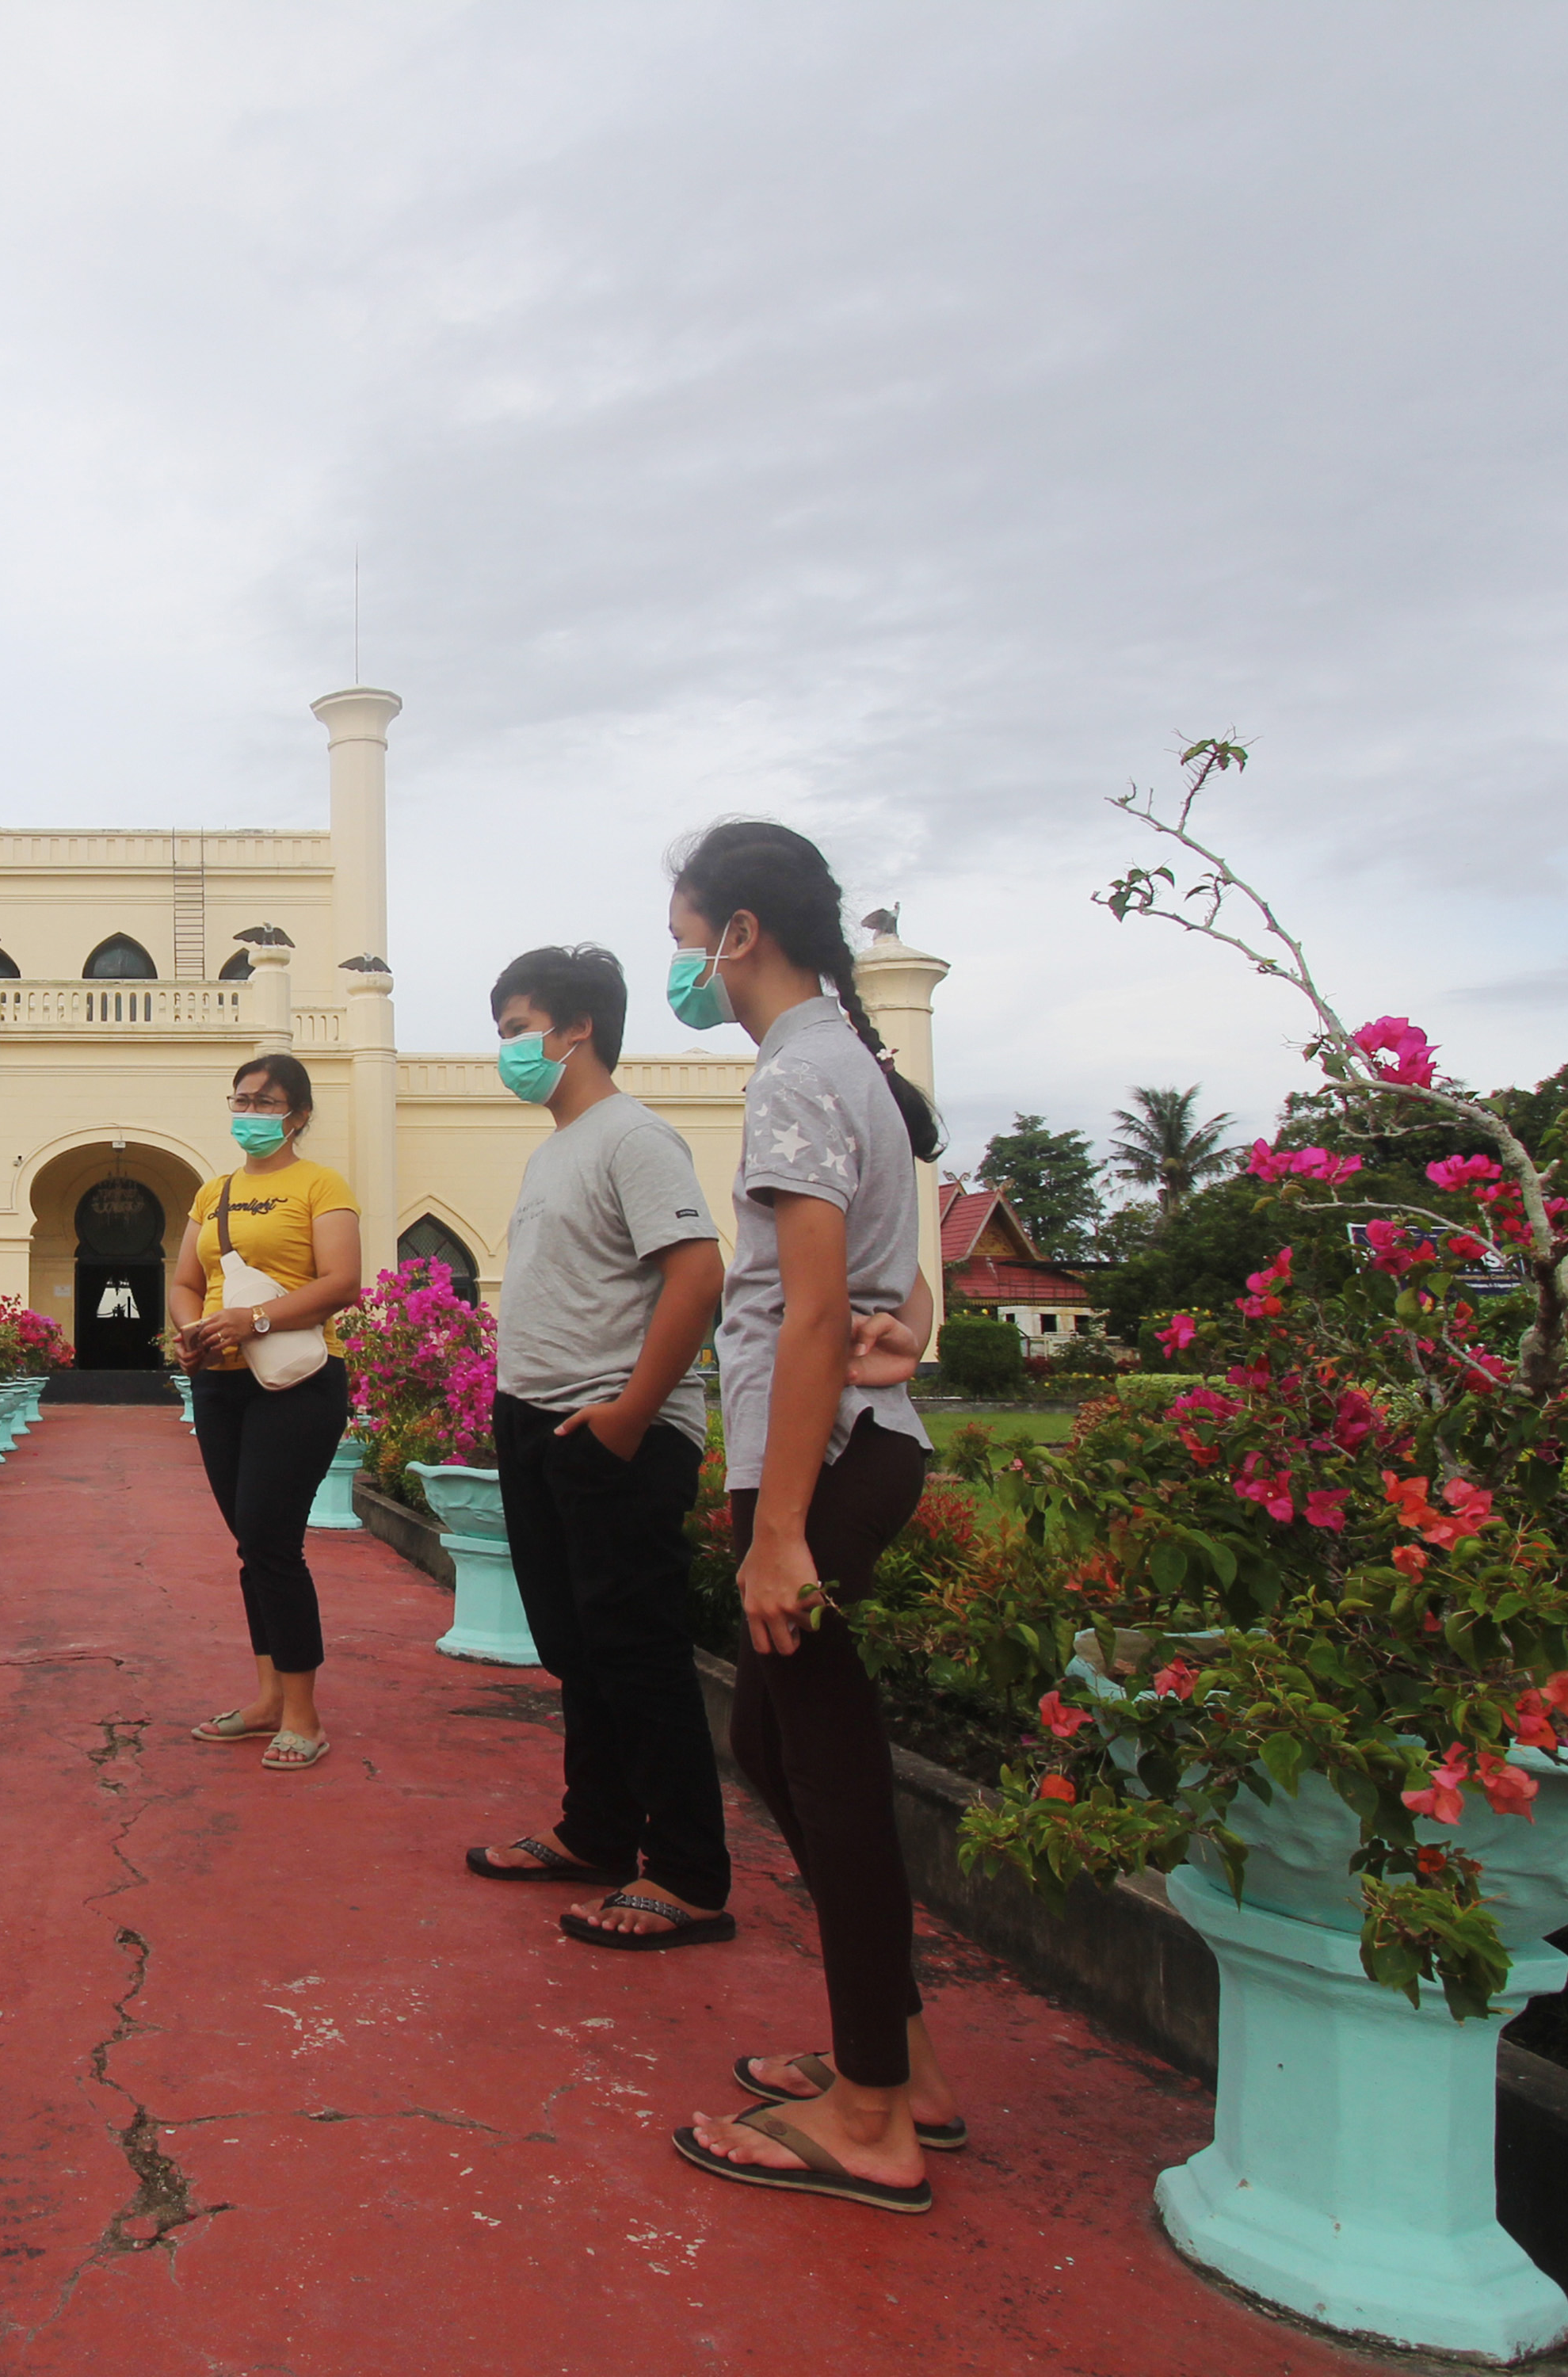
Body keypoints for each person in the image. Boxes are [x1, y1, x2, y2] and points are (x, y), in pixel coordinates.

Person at [659, 819, 967, 2216]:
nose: (686, 968)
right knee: (773, 1739)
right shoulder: (851, 1065)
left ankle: (874, 2117)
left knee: (825, 1760)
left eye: (687, 937)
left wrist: (776, 1531)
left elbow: (816, 1306)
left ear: (739, 932)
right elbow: (876, 1306)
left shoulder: (799, 1078)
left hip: (822, 1464)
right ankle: (894, 2053)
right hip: (852, 1446)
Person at [462, 946, 739, 1948]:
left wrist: (627, 1415)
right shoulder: (556, 1147)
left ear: (575, 1029)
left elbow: (697, 1276)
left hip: (612, 1426)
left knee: (638, 1652)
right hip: (542, 1419)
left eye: (514, 1028)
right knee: (579, 1650)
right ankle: (598, 1830)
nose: (506, 1050)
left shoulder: (634, 1136)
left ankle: (689, 1876)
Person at [167, 1052, 364, 1772]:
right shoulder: (212, 1192)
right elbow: (187, 1280)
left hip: (297, 1380)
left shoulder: (321, 1184)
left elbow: (343, 1281)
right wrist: (190, 1330)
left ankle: (304, 1715)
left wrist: (253, 1320)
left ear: (299, 1114)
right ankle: (266, 1698)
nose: (249, 1112)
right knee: (251, 1543)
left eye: (265, 1101)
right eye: (240, 1099)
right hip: (220, 1384)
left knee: (273, 1542)